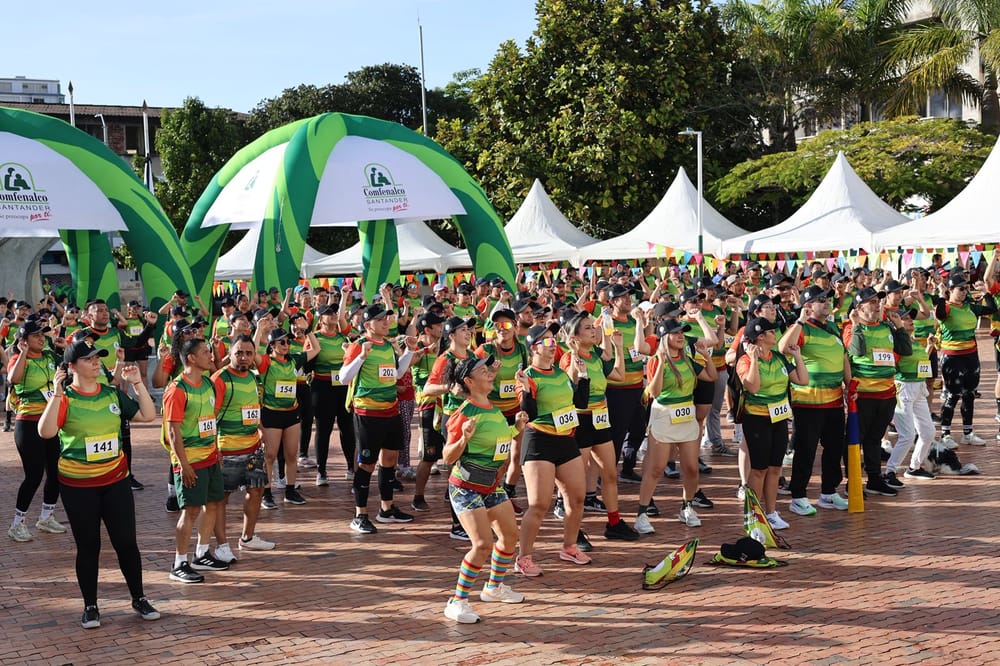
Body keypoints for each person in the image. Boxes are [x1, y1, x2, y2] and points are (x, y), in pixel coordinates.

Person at [38, 337, 159, 628]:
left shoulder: (112, 394)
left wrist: (137, 383)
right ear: (71, 366)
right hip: (78, 486)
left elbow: (148, 415)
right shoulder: (65, 398)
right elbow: (46, 431)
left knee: (126, 543)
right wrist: (57, 393)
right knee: (88, 546)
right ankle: (90, 606)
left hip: (116, 481)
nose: (96, 363)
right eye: (88, 359)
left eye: (97, 358)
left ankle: (139, 598)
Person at [442, 355, 528, 623]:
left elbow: (498, 441)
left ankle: (493, 588)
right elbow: (447, 457)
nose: (490, 373)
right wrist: (463, 438)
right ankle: (457, 601)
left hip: (491, 484)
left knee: (510, 536)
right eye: (483, 371)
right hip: (466, 488)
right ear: (469, 381)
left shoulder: (493, 408)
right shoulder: (464, 414)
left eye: (489, 369)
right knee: (481, 544)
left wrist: (516, 429)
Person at [513, 323, 592, 576]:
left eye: (553, 339)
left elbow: (580, 403)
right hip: (540, 441)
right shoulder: (527, 376)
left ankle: (569, 547)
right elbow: (531, 414)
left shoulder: (560, 373)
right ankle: (523, 557)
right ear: (534, 348)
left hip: (566, 440)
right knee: (539, 504)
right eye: (546, 341)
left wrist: (583, 376)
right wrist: (526, 391)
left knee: (577, 499)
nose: (553, 344)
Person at [338, 304, 418, 534]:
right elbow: (343, 378)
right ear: (367, 325)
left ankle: (386, 509)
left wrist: (409, 352)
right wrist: (361, 357)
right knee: (367, 464)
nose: (386, 322)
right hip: (368, 414)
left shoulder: (389, 346)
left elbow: (396, 374)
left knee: (390, 460)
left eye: (387, 318)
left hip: (391, 411)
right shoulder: (359, 345)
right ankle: (360, 515)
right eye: (380, 319)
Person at [560, 311, 639, 541]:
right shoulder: (568, 357)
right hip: (580, 421)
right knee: (576, 482)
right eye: (587, 328)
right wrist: (574, 354)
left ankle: (614, 523)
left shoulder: (595, 355)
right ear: (574, 337)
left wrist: (618, 347)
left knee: (610, 473)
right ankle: (574, 530)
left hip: (600, 419)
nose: (593, 330)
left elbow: (620, 375)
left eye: (592, 326)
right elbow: (572, 384)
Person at [637, 319, 718, 533]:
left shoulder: (688, 359)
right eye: (676, 333)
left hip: (686, 415)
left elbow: (711, 376)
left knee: (691, 467)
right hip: (664, 415)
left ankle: (687, 506)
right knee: (656, 468)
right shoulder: (656, 360)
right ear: (665, 337)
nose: (681, 336)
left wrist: (707, 357)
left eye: (682, 332)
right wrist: (662, 362)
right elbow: (654, 392)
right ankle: (642, 513)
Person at [777, 285, 851, 514]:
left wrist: (850, 384)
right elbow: (783, 347)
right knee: (805, 450)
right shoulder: (802, 328)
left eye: (827, 299)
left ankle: (828, 492)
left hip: (834, 401)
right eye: (821, 300)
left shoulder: (833, 327)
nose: (827, 303)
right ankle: (798, 495)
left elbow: (843, 358)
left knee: (834, 448)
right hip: (808, 401)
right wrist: (800, 320)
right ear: (808, 305)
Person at [162, 338, 227, 583]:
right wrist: (184, 465)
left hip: (210, 457)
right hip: (190, 461)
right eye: (205, 352)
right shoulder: (177, 390)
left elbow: (211, 420)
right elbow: (173, 432)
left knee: (213, 503)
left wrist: (216, 449)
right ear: (191, 358)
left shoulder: (208, 383)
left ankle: (202, 554)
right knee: (190, 511)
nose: (211, 355)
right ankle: (179, 563)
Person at [735, 317, 808, 530]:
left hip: (779, 418)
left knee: (775, 468)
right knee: (759, 469)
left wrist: (797, 356)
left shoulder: (778, 358)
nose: (776, 335)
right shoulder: (744, 361)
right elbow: (753, 387)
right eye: (771, 332)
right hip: (756, 419)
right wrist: (754, 360)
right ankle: (753, 515)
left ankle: (771, 513)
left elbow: (802, 380)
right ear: (760, 336)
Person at [210, 334, 275, 561]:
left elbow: (253, 408)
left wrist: (262, 430)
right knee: (221, 498)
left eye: (249, 353)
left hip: (253, 448)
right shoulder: (220, 379)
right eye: (239, 353)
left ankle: (247, 538)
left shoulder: (254, 378)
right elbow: (210, 417)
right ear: (230, 353)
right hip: (226, 449)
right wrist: (214, 448)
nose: (244, 357)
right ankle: (222, 545)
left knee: (256, 490)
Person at [842, 287, 912, 497]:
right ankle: (853, 481)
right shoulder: (851, 328)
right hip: (863, 395)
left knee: (874, 439)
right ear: (859, 307)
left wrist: (899, 327)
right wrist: (856, 324)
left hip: (887, 394)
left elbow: (905, 350)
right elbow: (857, 350)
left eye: (878, 301)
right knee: (855, 439)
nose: (877, 305)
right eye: (871, 302)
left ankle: (874, 479)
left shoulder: (886, 327)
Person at [7, 319, 65, 542]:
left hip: (50, 422)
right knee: (34, 475)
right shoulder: (19, 358)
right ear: (24, 340)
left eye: (43, 335)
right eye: (36, 335)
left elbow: (70, 365)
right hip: (28, 423)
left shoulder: (49, 356)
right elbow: (13, 379)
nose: (42, 338)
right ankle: (17, 524)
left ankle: (46, 517)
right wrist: (22, 353)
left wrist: (66, 348)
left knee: (56, 472)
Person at [254, 324, 319, 508]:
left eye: (288, 342)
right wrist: (259, 329)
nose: (286, 345)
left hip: (291, 414)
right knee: (270, 455)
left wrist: (308, 331)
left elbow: (316, 349)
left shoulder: (293, 360)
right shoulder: (266, 362)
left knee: (291, 455)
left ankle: (290, 491)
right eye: (282, 342)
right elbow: (253, 351)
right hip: (271, 414)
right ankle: (267, 494)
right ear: (272, 345)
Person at [933, 273, 996, 446]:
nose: (964, 292)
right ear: (951, 290)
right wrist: (941, 295)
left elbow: (991, 309)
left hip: (971, 356)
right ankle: (945, 434)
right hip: (952, 357)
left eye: (966, 289)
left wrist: (985, 292)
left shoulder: (970, 307)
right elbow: (939, 314)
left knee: (969, 394)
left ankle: (967, 433)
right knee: (953, 395)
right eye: (961, 289)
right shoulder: (946, 307)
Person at [885, 309, 938, 482]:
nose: (911, 321)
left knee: (928, 432)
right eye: (906, 319)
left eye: (910, 318)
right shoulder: (896, 342)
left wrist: (929, 346)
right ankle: (890, 472)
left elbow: (920, 362)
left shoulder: (914, 340)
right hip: (903, 389)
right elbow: (891, 365)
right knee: (907, 436)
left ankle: (914, 467)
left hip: (919, 389)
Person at [310, 302, 355, 485]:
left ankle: (351, 467)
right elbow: (308, 360)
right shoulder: (315, 337)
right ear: (321, 319)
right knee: (324, 430)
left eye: (335, 312)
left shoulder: (344, 337)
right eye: (328, 313)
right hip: (322, 387)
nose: (334, 315)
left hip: (343, 387)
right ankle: (321, 471)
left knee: (347, 428)